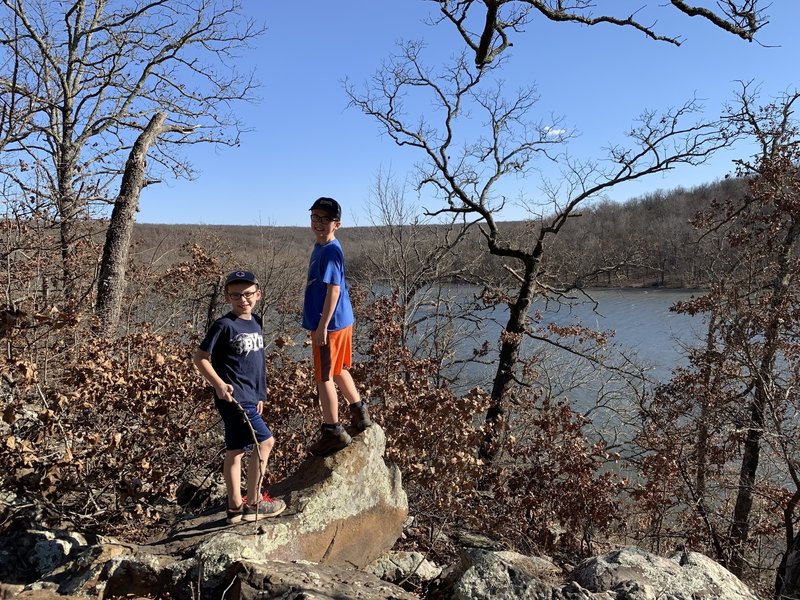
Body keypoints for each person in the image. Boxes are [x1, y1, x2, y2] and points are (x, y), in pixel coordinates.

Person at [193, 270, 286, 523]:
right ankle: (255, 503)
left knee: (235, 450)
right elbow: (200, 358)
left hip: (250, 395)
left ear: (258, 294)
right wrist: (219, 385)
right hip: (233, 396)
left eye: (247, 294)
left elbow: (256, 364)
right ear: (227, 297)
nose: (242, 299)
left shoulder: (256, 321)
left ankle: (234, 507)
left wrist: (261, 394)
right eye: (236, 295)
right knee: (265, 443)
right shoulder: (224, 325)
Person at [303, 197, 373, 456]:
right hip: (341, 320)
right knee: (339, 368)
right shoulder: (323, 246)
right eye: (315, 218)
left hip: (330, 325)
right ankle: (359, 413)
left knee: (323, 377)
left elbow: (334, 290)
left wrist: (322, 326)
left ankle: (333, 431)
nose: (319, 223)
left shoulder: (330, 250)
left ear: (337, 224)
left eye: (325, 219)